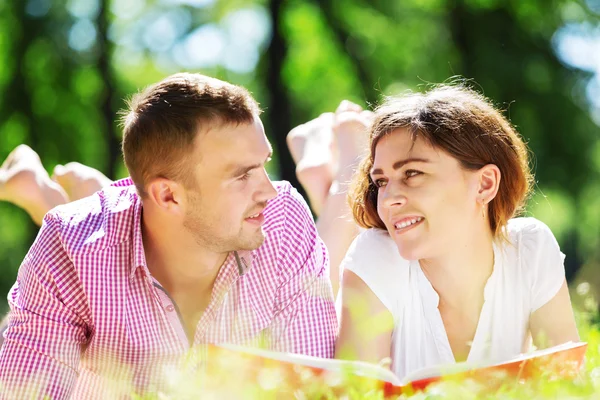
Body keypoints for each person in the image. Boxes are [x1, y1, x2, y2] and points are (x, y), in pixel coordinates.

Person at [0, 73, 338, 398]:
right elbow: (26, 393)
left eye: (264, 164)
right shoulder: (70, 247)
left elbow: (311, 391)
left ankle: (54, 188)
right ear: (168, 196)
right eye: (242, 176)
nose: (269, 191)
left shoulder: (282, 220)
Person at [335, 85, 580, 380]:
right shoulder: (375, 255)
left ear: (484, 184)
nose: (387, 199)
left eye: (412, 173)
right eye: (382, 181)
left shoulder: (531, 250)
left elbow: (569, 386)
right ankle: (340, 165)